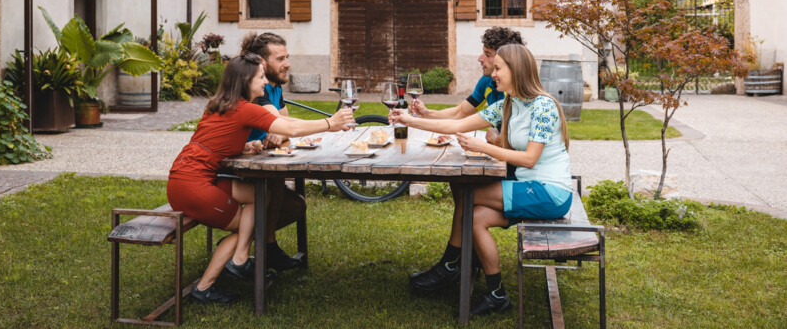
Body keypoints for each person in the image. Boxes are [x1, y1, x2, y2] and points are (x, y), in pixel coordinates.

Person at [390, 44, 573, 317]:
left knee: (466, 193)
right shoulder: (509, 104)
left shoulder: (543, 106)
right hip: (529, 188)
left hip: (550, 193)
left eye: (498, 68)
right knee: (475, 218)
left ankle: (452, 263)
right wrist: (411, 120)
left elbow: (530, 159)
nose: (493, 74)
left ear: (517, 70)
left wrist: (485, 147)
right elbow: (456, 125)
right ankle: (497, 294)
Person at [167, 53, 353, 304]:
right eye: (261, 77)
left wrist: (245, 147)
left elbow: (212, 144)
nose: (265, 82)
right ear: (245, 81)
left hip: (186, 178)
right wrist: (330, 122)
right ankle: (208, 284)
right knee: (247, 225)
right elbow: (290, 128)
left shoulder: (219, 105)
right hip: (192, 186)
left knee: (259, 195)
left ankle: (240, 258)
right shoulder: (246, 110)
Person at [406, 26, 524, 292]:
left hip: (517, 173)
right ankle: (458, 261)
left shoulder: (517, 93)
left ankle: (453, 263)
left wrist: (492, 140)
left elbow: (513, 144)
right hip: (502, 163)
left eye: (487, 54)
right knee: (460, 183)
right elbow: (461, 112)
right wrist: (427, 114)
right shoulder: (487, 84)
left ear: (506, 60)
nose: (481, 59)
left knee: (464, 187)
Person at [239, 32, 308, 272]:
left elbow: (284, 129)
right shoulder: (256, 90)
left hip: (262, 165)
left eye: (287, 57)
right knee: (290, 202)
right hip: (239, 170)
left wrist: (281, 131)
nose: (287, 63)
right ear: (262, 63)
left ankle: (265, 247)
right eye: (280, 59)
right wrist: (331, 125)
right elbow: (286, 126)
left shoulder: (274, 88)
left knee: (294, 202)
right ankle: (250, 244)